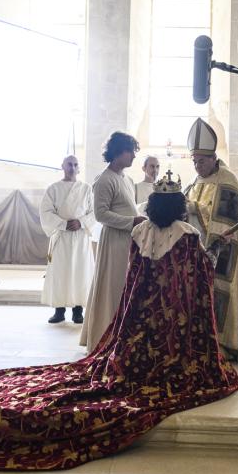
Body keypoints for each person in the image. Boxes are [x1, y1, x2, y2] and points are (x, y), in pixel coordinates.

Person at [0, 174, 238, 470]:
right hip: (172, 322)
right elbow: (196, 276)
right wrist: (216, 250)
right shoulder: (188, 234)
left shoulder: (139, 231)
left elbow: (133, 276)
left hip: (136, 317)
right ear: (179, 206)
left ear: (153, 206)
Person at [184, 117, 238, 363]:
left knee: (224, 292)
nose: (197, 166)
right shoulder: (196, 181)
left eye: (201, 161)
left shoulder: (227, 180)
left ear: (213, 158)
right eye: (194, 161)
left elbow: (227, 220)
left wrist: (193, 207)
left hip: (227, 250)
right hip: (202, 249)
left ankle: (228, 344)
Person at [81, 132, 146, 352]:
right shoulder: (104, 179)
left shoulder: (126, 179)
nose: (134, 157)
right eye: (131, 152)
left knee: (125, 287)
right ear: (118, 151)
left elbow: (130, 208)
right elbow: (101, 214)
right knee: (114, 286)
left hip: (128, 238)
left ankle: (122, 334)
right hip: (114, 240)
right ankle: (105, 336)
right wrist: (132, 221)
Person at [39, 155, 95, 324]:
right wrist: (63, 224)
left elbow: (94, 212)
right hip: (61, 237)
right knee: (60, 273)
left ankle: (78, 311)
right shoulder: (53, 189)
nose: (72, 167)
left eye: (75, 164)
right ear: (62, 166)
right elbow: (46, 212)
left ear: (79, 168)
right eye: (69, 164)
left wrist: (82, 222)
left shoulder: (86, 189)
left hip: (80, 237)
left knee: (80, 272)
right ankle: (59, 311)